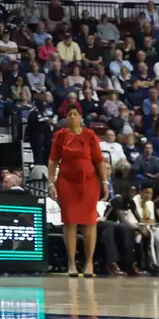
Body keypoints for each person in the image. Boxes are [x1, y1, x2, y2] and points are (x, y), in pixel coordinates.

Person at [49, 105, 107, 277]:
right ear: (65, 118)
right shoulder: (60, 136)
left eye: (75, 114)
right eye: (69, 114)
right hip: (67, 183)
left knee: (90, 222)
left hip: (89, 183)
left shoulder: (90, 135)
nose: (72, 117)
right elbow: (52, 161)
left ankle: (89, 263)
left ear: (81, 117)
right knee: (69, 222)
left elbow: (99, 161)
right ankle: (72, 263)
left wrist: (104, 181)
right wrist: (51, 182)